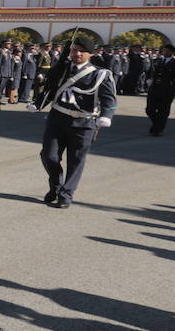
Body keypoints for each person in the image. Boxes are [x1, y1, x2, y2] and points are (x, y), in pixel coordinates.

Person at [30, 38, 116, 208]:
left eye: (81, 51)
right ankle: (56, 186)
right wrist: (38, 104)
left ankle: (66, 194)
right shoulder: (62, 68)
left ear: (90, 54)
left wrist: (107, 115)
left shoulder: (99, 74)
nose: (76, 54)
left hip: (83, 123)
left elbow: (109, 99)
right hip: (57, 118)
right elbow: (51, 89)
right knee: (48, 155)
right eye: (74, 50)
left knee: (75, 160)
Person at [146, 44, 175, 136]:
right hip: (154, 88)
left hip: (168, 90)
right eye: (163, 50)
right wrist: (148, 80)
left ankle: (158, 130)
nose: (164, 52)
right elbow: (149, 72)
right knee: (149, 110)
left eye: (166, 51)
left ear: (172, 52)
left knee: (163, 111)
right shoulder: (156, 61)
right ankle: (157, 125)